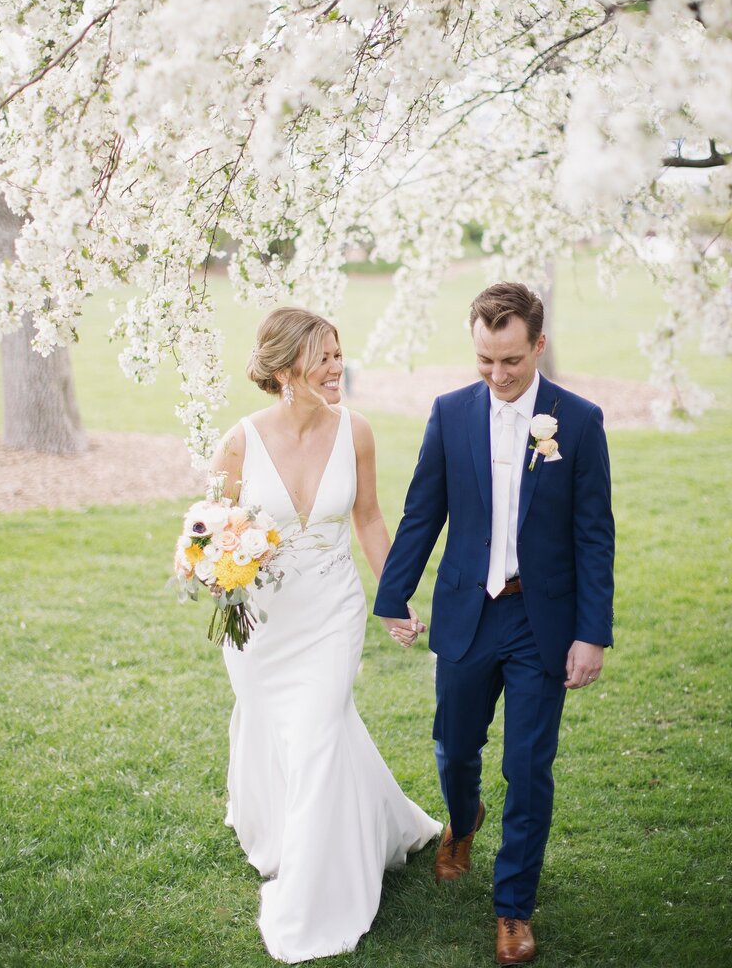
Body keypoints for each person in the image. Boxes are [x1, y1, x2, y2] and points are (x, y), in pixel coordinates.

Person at [374, 282, 614, 965]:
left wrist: (591, 632)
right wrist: (394, 594)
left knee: (529, 765)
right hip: (466, 611)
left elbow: (595, 533)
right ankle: (464, 816)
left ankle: (513, 907)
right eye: (485, 360)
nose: (498, 376)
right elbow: (424, 511)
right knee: (454, 743)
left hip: (542, 619)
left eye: (511, 360)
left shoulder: (580, 419)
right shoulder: (450, 413)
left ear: (538, 345)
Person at [211, 306, 441, 964]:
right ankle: (380, 820)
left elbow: (368, 518)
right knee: (280, 725)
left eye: (340, 354)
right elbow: (209, 529)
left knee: (317, 729)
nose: (339, 368)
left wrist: (393, 596)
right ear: (286, 369)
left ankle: (315, 895)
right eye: (324, 358)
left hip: (332, 610)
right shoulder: (240, 441)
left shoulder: (356, 432)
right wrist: (213, 572)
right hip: (262, 622)